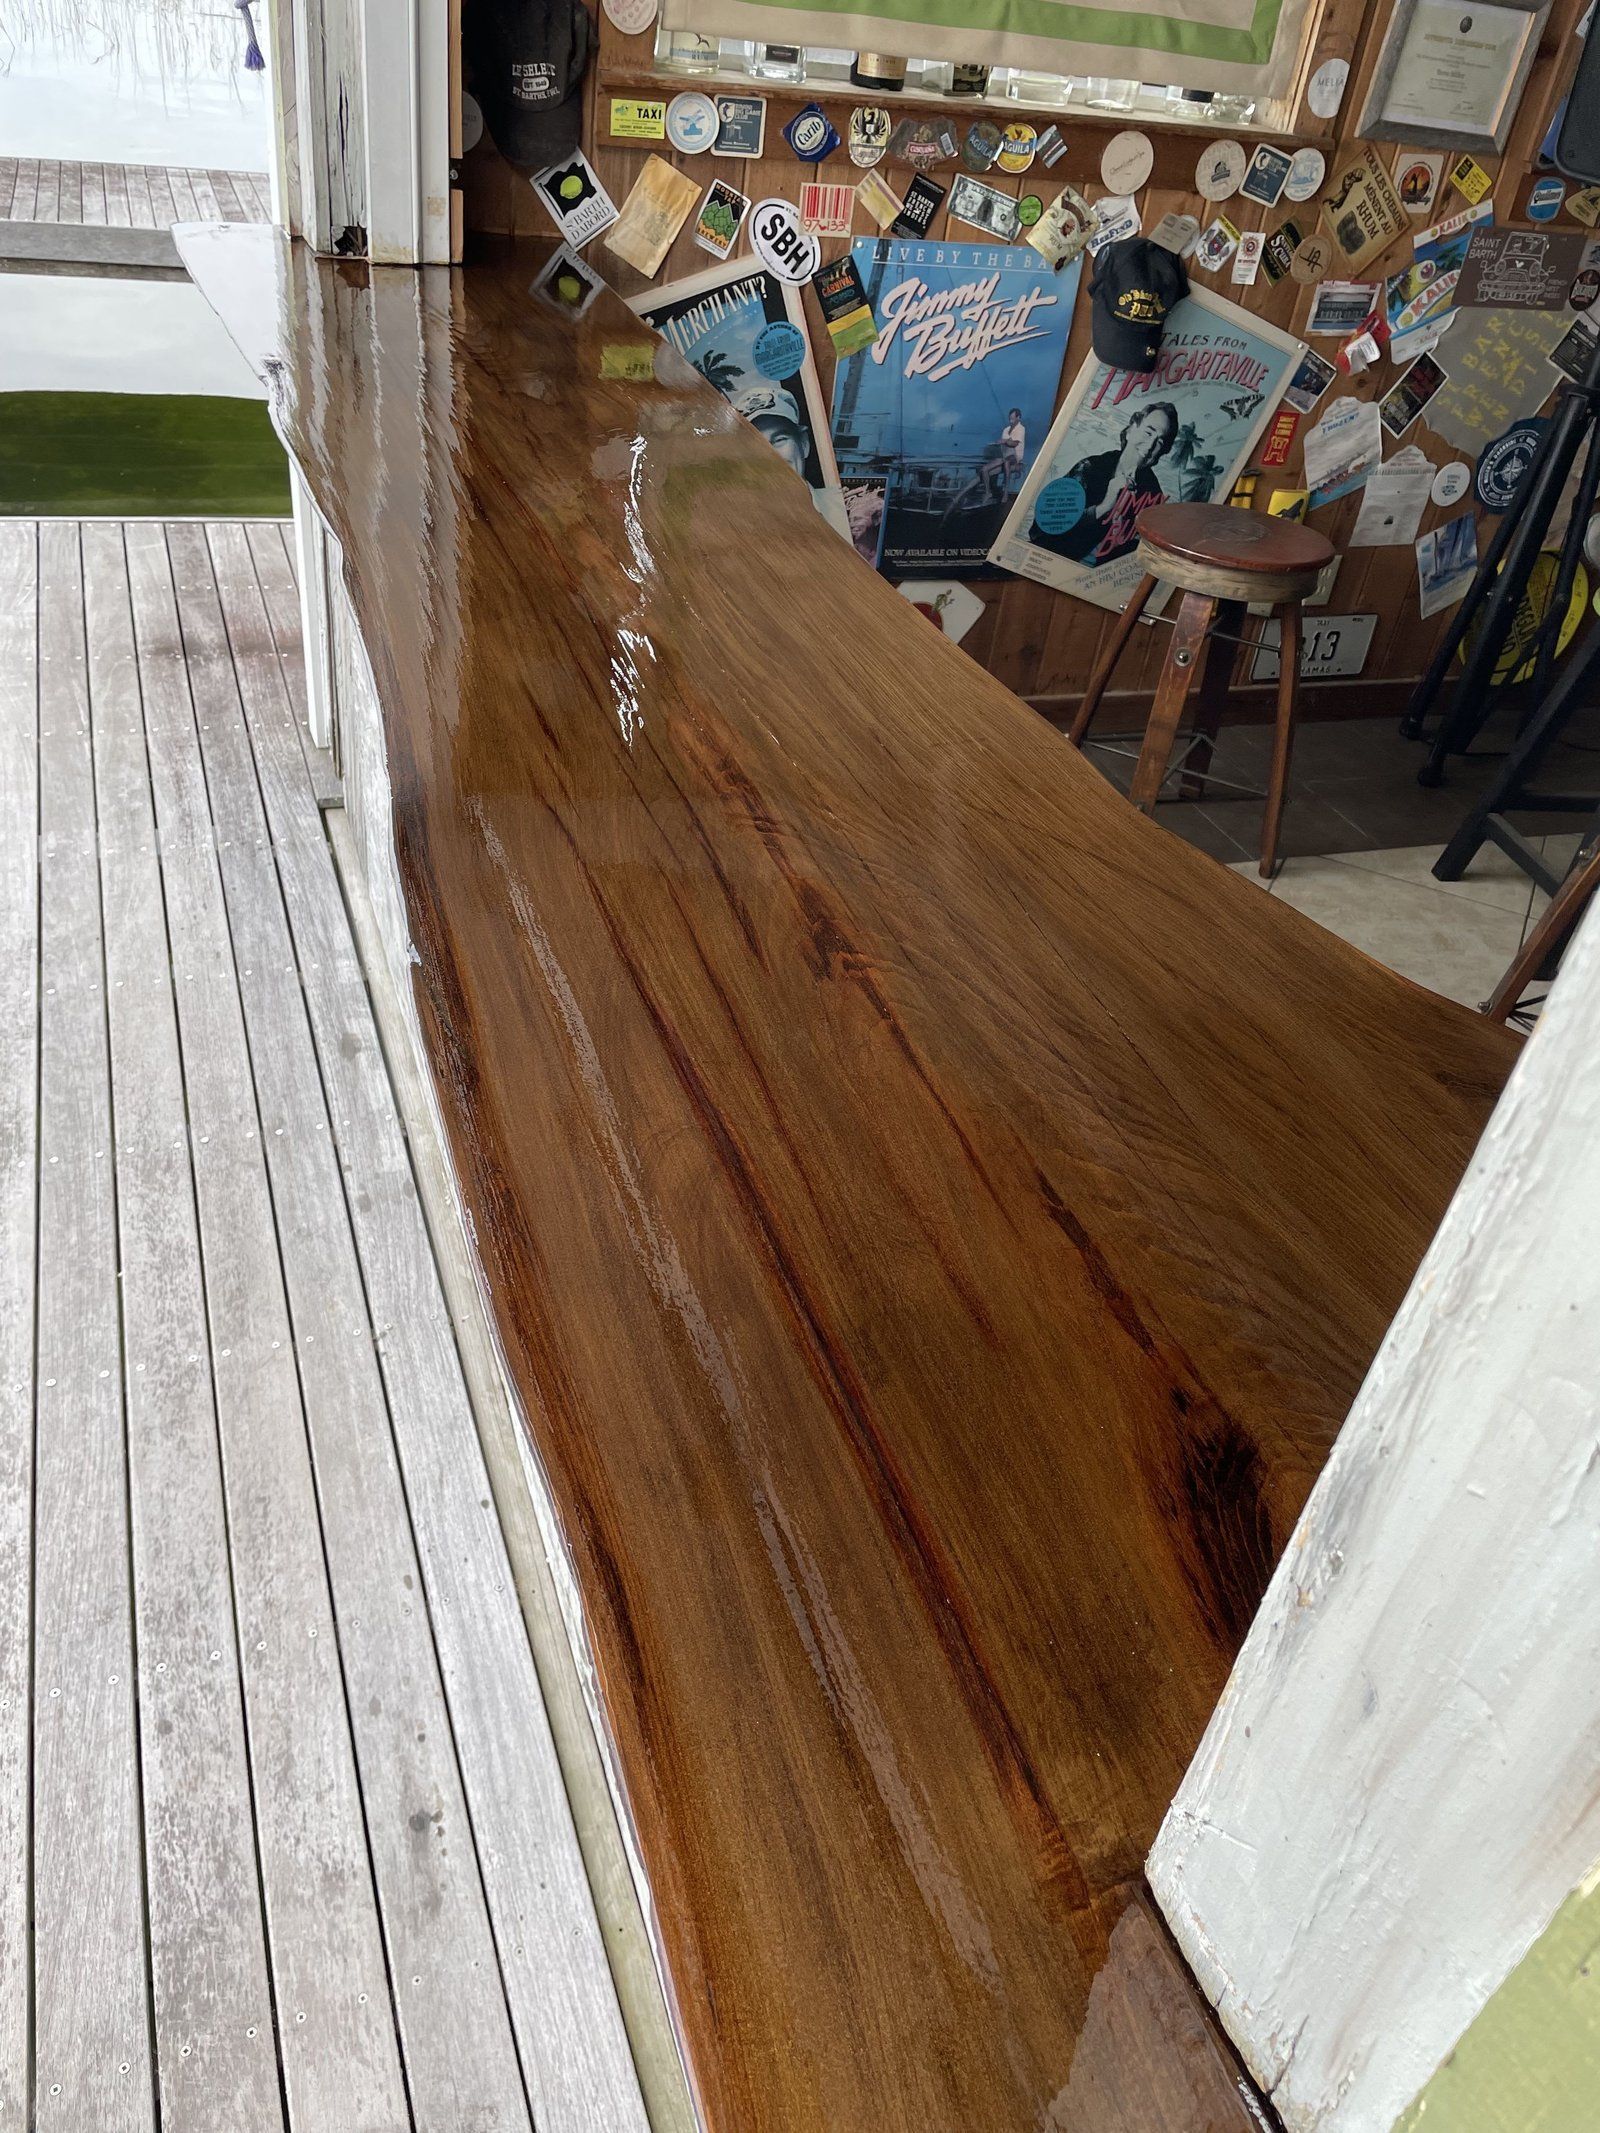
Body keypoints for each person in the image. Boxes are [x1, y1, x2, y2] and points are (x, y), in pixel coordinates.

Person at [1028, 401, 1179, 568]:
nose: (1150, 446)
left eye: (1160, 442)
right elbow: (1043, 528)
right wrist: (1104, 506)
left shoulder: (1153, 495)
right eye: (1148, 433)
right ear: (1131, 430)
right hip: (1052, 564)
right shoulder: (1089, 468)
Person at [1001, 406, 1027, 485]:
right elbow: (1005, 442)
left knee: (1007, 460)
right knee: (986, 469)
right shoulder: (1006, 429)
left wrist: (1005, 441)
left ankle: (1006, 485)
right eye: (1010, 418)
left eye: (1012, 418)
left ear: (1018, 417)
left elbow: (1013, 443)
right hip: (1004, 455)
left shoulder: (1021, 429)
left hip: (1016, 457)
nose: (1010, 420)